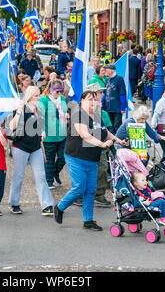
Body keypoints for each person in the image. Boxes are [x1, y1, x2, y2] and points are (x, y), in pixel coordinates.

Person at [53, 90, 128, 230]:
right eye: (89, 99)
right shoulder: (78, 114)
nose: (93, 102)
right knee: (79, 187)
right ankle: (60, 207)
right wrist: (102, 144)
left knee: (90, 190)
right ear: (82, 100)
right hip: (76, 157)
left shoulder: (97, 116)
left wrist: (119, 141)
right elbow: (84, 134)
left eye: (95, 99)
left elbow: (106, 133)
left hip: (92, 159)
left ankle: (88, 220)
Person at [7, 86, 55, 216]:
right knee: (18, 176)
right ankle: (14, 203)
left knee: (41, 176)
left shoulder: (38, 110)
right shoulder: (21, 109)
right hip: (20, 147)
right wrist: (18, 111)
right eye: (36, 96)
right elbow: (11, 127)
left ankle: (47, 205)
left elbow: (39, 129)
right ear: (29, 97)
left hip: (36, 147)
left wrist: (42, 135)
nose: (38, 98)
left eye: (39, 95)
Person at [39, 80, 68, 189]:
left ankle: (55, 172)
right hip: (49, 135)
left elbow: (65, 111)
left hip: (62, 134)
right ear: (51, 89)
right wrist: (42, 131)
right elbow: (40, 116)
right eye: (57, 91)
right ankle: (49, 181)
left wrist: (65, 114)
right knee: (50, 159)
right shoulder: (44, 99)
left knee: (63, 157)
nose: (59, 93)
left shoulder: (62, 99)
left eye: (61, 91)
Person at [104, 63, 127, 134]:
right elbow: (105, 93)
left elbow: (122, 93)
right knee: (110, 126)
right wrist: (102, 102)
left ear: (111, 71)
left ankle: (118, 142)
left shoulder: (119, 79)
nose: (104, 71)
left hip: (117, 108)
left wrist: (123, 107)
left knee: (117, 126)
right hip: (108, 107)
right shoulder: (107, 80)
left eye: (106, 70)